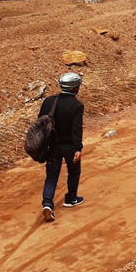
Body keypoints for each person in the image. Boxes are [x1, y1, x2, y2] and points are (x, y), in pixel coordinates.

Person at [40, 71, 85, 222]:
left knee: (51, 177)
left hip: (52, 146)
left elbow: (41, 122)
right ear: (75, 88)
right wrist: (78, 148)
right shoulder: (76, 105)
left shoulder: (49, 101)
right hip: (70, 146)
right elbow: (76, 129)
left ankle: (47, 204)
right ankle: (71, 199)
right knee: (74, 172)